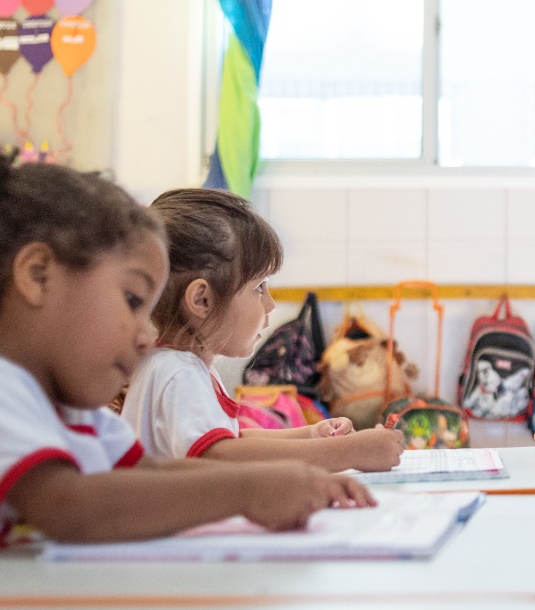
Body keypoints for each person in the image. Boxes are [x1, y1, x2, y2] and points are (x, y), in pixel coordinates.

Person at [0, 146, 371, 607]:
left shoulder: (66, 408)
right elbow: (73, 510)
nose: (147, 334)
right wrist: (246, 491)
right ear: (38, 277)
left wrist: (281, 479)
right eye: (131, 301)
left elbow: (146, 474)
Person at [122, 188, 404, 472]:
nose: (270, 304)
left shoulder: (180, 365)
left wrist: (310, 434)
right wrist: (346, 452)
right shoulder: (178, 372)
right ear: (201, 300)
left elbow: (231, 440)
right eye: (259, 288)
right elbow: (217, 456)